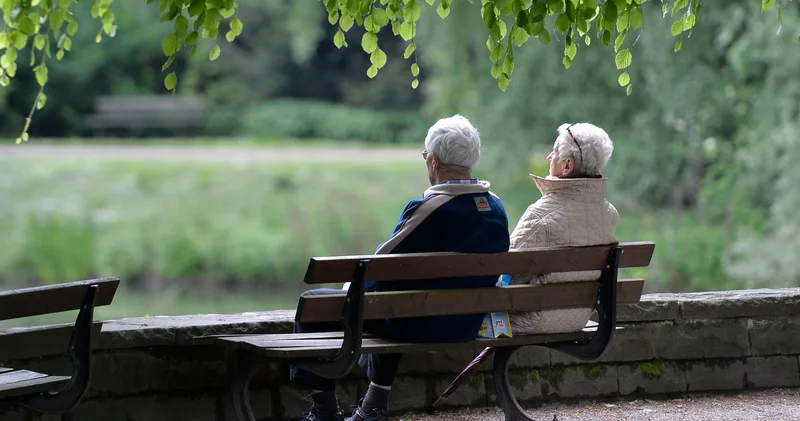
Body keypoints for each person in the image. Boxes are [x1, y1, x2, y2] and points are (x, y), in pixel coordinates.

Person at [289, 115, 510, 421]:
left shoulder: (430, 208)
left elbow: (380, 264)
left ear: (433, 161)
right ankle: (373, 406)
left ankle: (324, 410)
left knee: (321, 302)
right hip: (466, 323)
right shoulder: (496, 208)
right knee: (393, 299)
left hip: (420, 324)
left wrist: (349, 291)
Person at [504, 122, 619, 335]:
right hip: (578, 319)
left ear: (567, 166)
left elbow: (506, 269)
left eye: (555, 151)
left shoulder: (541, 214)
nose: (549, 157)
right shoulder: (610, 214)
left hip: (532, 319)